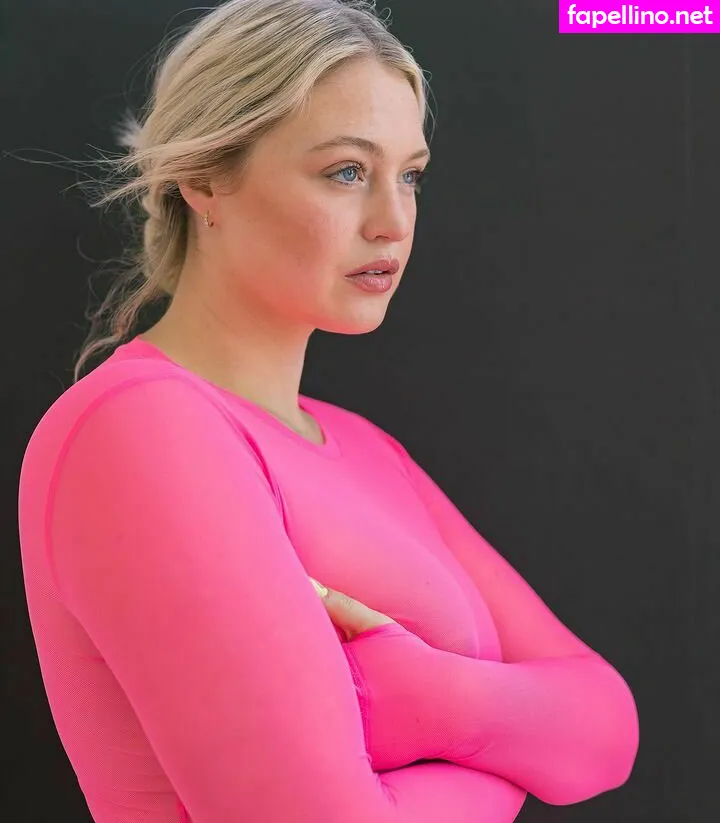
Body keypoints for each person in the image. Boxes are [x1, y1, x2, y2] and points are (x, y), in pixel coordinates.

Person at [17, 1, 639, 821]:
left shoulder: (365, 448)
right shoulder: (138, 430)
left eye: (410, 175)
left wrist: (422, 696)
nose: (393, 222)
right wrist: (510, 756)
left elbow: (606, 727)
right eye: (346, 171)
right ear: (204, 178)